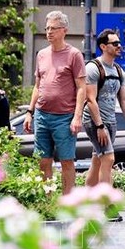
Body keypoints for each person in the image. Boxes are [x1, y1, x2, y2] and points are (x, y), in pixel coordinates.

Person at [23, 11, 86, 195]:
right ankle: (47, 201)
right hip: (42, 115)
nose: (49, 32)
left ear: (64, 30)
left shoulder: (74, 55)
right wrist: (29, 111)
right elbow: (37, 85)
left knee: (67, 161)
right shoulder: (41, 55)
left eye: (53, 28)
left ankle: (68, 202)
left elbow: (81, 87)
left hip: (65, 117)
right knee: (43, 160)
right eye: (47, 28)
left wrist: (77, 116)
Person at [83, 29, 125, 222]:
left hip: (110, 121)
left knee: (98, 161)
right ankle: (107, 207)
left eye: (119, 43)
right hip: (95, 121)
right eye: (115, 43)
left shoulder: (118, 70)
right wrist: (100, 125)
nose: (119, 46)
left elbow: (124, 100)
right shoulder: (93, 68)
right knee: (109, 159)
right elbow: (90, 99)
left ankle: (85, 203)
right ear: (103, 46)